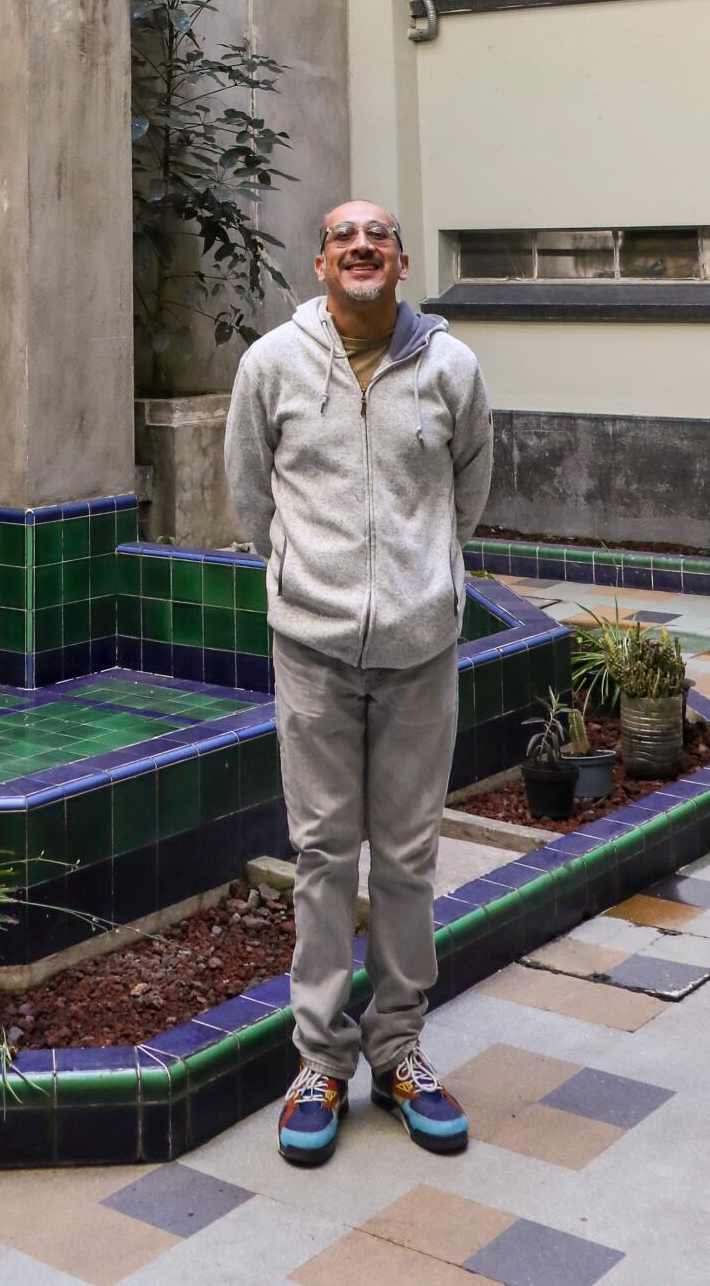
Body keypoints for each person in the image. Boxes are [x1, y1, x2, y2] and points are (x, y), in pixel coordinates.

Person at [225, 198, 493, 1168]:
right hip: (312, 650)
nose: (361, 247)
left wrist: (427, 581)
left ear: (401, 258)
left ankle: (400, 1050)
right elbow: (251, 496)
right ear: (320, 260)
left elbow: (470, 490)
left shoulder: (450, 369)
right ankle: (319, 1063)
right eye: (344, 236)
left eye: (376, 235)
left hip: (420, 650)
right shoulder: (270, 367)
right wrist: (305, 580)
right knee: (322, 857)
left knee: (409, 860)